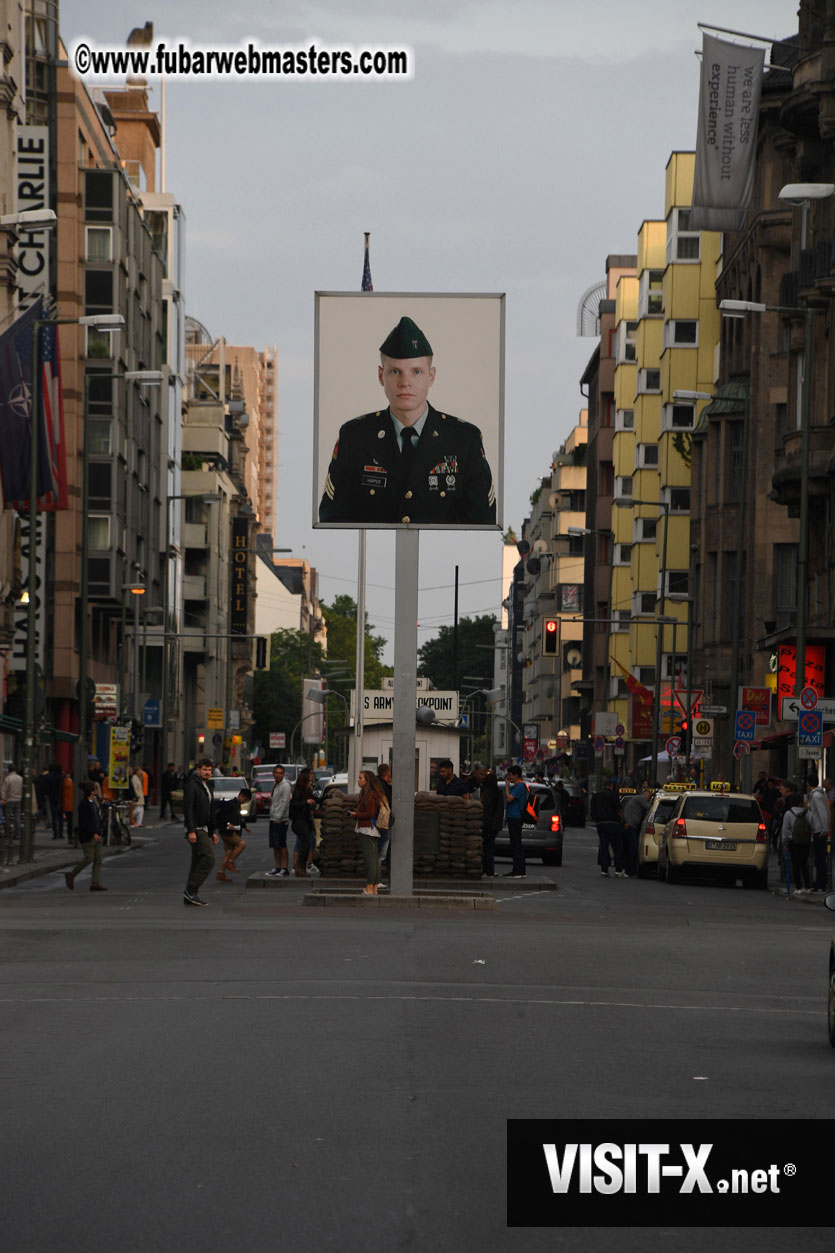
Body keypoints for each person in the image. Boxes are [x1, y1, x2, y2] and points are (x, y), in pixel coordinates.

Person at [318, 316, 497, 526]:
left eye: (416, 372)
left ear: (431, 376)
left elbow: (483, 520)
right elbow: (333, 518)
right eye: (395, 371)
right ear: (380, 376)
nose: (405, 382)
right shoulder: (355, 437)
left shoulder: (464, 440)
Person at [183, 757, 218, 906]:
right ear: (198, 770)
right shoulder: (192, 785)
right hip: (196, 829)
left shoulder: (207, 786)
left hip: (204, 828)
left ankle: (190, 895)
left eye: (209, 770)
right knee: (209, 858)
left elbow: (209, 810)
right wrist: (191, 830)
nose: (207, 772)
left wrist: (212, 832)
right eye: (204, 769)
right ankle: (191, 890)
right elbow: (188, 808)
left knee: (197, 860)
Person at [350, 770, 387, 896]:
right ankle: (374, 887)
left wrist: (355, 814)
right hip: (371, 829)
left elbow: (370, 813)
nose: (358, 780)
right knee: (374, 859)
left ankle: (369, 888)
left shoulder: (369, 795)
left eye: (360, 778)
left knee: (370, 860)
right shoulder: (370, 793)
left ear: (367, 781)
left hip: (367, 829)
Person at [65, 780, 106, 892]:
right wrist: (93, 834)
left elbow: (97, 818)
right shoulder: (83, 805)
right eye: (95, 789)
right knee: (89, 857)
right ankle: (72, 874)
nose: (97, 791)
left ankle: (95, 882)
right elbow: (85, 822)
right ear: (92, 791)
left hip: (97, 834)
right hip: (88, 836)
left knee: (98, 859)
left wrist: (99, 832)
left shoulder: (94, 802)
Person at [215, 787, 251, 882]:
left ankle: (220, 873)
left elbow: (238, 818)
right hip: (227, 832)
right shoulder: (231, 804)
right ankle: (230, 862)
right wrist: (227, 823)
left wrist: (245, 826)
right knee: (242, 844)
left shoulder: (237, 805)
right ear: (241, 796)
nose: (245, 802)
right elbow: (221, 816)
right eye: (245, 800)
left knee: (228, 852)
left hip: (228, 831)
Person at [590, 779, 625, 878]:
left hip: (601, 823)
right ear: (611, 786)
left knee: (604, 847)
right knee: (617, 847)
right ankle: (618, 870)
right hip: (613, 823)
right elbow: (619, 811)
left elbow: (592, 811)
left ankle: (604, 870)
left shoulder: (596, 796)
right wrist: (624, 821)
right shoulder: (613, 795)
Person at [781, 792, 811, 895]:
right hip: (806, 841)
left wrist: (784, 843)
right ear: (800, 803)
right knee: (804, 864)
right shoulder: (807, 813)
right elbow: (812, 825)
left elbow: (785, 830)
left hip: (793, 842)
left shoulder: (788, 814)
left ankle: (798, 887)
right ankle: (807, 886)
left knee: (795, 864)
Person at [289, 767, 316, 877]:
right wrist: (306, 802)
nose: (311, 781)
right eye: (309, 780)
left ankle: (301, 867)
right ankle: (299, 867)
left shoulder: (308, 791)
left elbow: (316, 799)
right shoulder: (299, 791)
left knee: (307, 844)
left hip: (305, 821)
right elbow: (294, 805)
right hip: (299, 822)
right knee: (305, 844)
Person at [266, 764, 292, 877]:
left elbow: (285, 802)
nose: (278, 775)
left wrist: (279, 817)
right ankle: (278, 867)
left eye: (280, 773)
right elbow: (277, 801)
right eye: (276, 772)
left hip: (281, 820)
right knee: (275, 845)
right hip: (273, 818)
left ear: (284, 774)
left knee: (281, 844)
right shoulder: (275, 784)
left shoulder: (285, 785)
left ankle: (285, 868)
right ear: (273, 773)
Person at [807, 772, 831, 894]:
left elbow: (822, 813)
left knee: (820, 859)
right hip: (818, 830)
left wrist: (824, 829)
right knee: (819, 858)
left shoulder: (816, 796)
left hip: (819, 831)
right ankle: (820, 882)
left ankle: (821, 883)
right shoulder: (820, 795)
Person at [621, 783, 652, 877]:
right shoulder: (640, 799)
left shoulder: (636, 799)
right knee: (632, 848)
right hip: (631, 826)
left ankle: (627, 869)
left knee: (628, 848)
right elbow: (650, 808)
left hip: (629, 826)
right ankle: (629, 870)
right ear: (645, 794)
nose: (649, 800)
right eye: (649, 798)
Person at [503, 764, 528, 879]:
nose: (509, 778)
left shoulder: (520, 787)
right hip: (513, 817)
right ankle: (518, 869)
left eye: (510, 775)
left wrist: (507, 786)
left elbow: (509, 798)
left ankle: (518, 870)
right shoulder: (518, 786)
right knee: (515, 844)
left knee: (516, 844)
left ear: (516, 775)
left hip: (515, 817)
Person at [479, 768, 503, 878]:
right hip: (496, 825)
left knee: (486, 848)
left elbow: (486, 809)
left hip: (488, 824)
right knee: (490, 847)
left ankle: (487, 871)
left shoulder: (488, 793)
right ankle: (490, 871)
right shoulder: (499, 792)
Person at [376, 761, 394, 880]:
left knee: (379, 850)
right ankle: (376, 879)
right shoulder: (385, 787)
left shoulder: (376, 783)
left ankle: (376, 878)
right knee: (383, 851)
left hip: (376, 821)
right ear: (388, 774)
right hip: (383, 821)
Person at [1, 764, 23, 851]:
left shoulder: (8, 779)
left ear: (8, 770)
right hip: (18, 800)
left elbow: (3, 790)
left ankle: (8, 833)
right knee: (17, 817)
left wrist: (4, 799)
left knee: (8, 817)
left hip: (9, 800)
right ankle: (17, 834)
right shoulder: (20, 778)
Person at [45, 763, 63, 840]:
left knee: (54, 817)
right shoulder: (62, 778)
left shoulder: (50, 777)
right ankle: (61, 833)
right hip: (61, 799)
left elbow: (47, 788)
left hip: (52, 798)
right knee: (60, 817)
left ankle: (55, 833)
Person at [61, 769, 75, 846]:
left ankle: (70, 836)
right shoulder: (68, 782)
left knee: (70, 822)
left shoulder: (65, 782)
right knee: (70, 822)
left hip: (68, 804)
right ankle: (71, 836)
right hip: (70, 804)